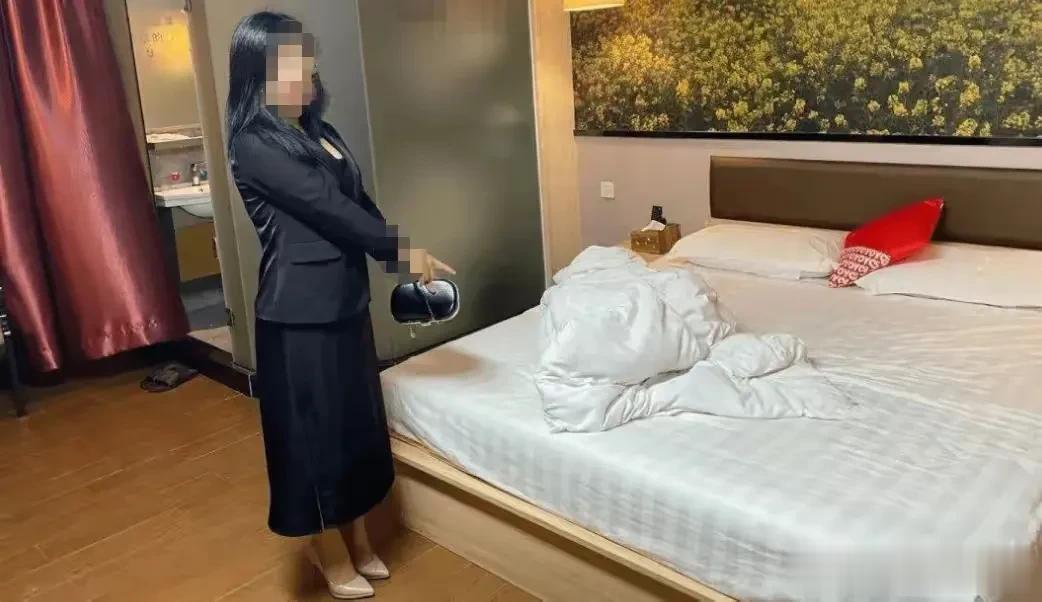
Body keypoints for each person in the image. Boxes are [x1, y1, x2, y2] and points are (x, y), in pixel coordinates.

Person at [225, 12, 454, 600]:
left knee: (352, 430)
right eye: (289, 64)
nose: (305, 73)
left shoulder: (321, 132)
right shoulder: (254, 144)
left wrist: (401, 260)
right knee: (314, 441)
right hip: (296, 316)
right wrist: (403, 253)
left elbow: (361, 205)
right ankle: (327, 551)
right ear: (258, 73)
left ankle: (356, 535)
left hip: (345, 302)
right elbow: (328, 209)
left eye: (307, 62)